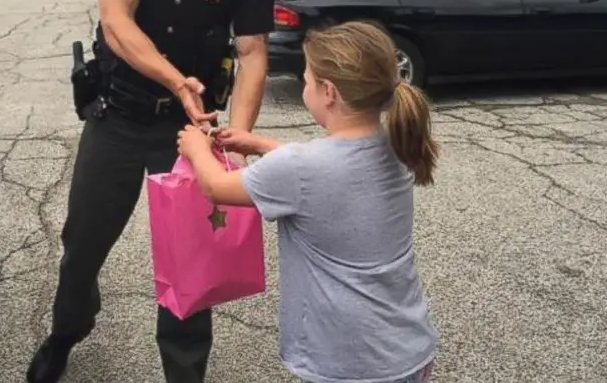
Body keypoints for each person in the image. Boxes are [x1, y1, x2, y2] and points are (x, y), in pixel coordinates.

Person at [25, 0, 291, 381]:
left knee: (192, 261)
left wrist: (237, 139)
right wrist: (176, 81)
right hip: (120, 118)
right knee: (82, 248)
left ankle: (185, 372)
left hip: (191, 133)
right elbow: (117, 23)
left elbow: (253, 53)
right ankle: (67, 332)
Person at [176, 20, 441, 383]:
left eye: (307, 79)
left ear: (328, 91)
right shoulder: (397, 142)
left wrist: (194, 147)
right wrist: (260, 144)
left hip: (348, 364)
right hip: (406, 350)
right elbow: (327, 169)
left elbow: (216, 187)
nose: (304, 85)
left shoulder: (300, 167)